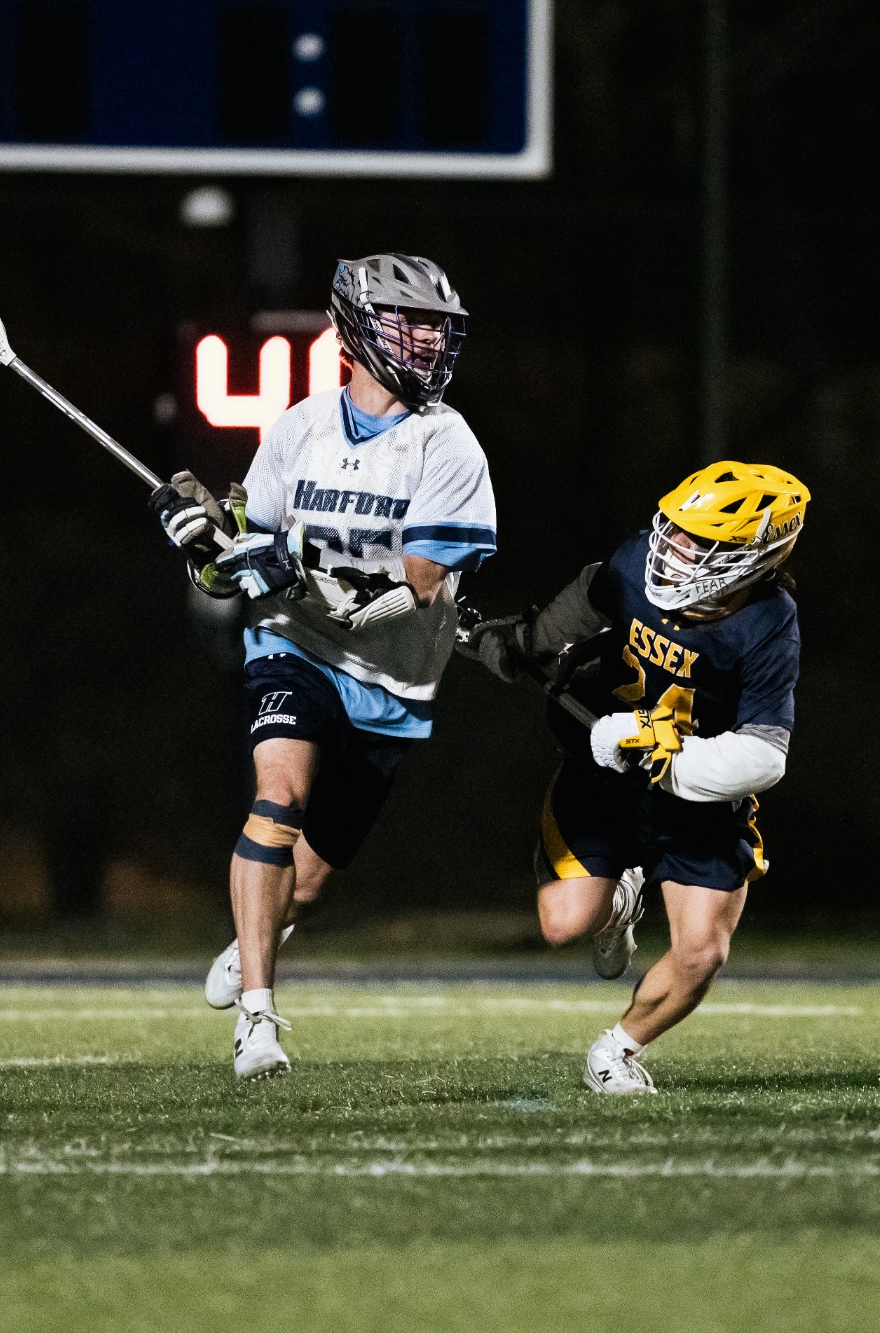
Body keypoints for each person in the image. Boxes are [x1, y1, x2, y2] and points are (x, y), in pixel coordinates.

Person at [149, 254, 495, 1079]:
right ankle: (257, 1019)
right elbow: (238, 557)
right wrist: (206, 547)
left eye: (436, 325)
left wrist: (294, 568)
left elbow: (416, 587)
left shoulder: (447, 444)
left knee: (306, 886)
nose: (428, 339)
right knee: (279, 794)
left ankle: (260, 926)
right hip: (294, 646)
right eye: (410, 320)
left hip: (391, 673)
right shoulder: (299, 426)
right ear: (359, 329)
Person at [459, 462, 807, 1093]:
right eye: (674, 530)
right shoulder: (634, 565)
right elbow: (592, 595)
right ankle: (619, 902)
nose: (672, 549)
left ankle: (616, 1052)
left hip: (696, 805)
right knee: (563, 923)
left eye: (699, 542)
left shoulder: (768, 623)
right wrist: (525, 642)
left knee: (702, 951)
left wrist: (661, 751)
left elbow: (764, 755)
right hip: (605, 784)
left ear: (753, 555)